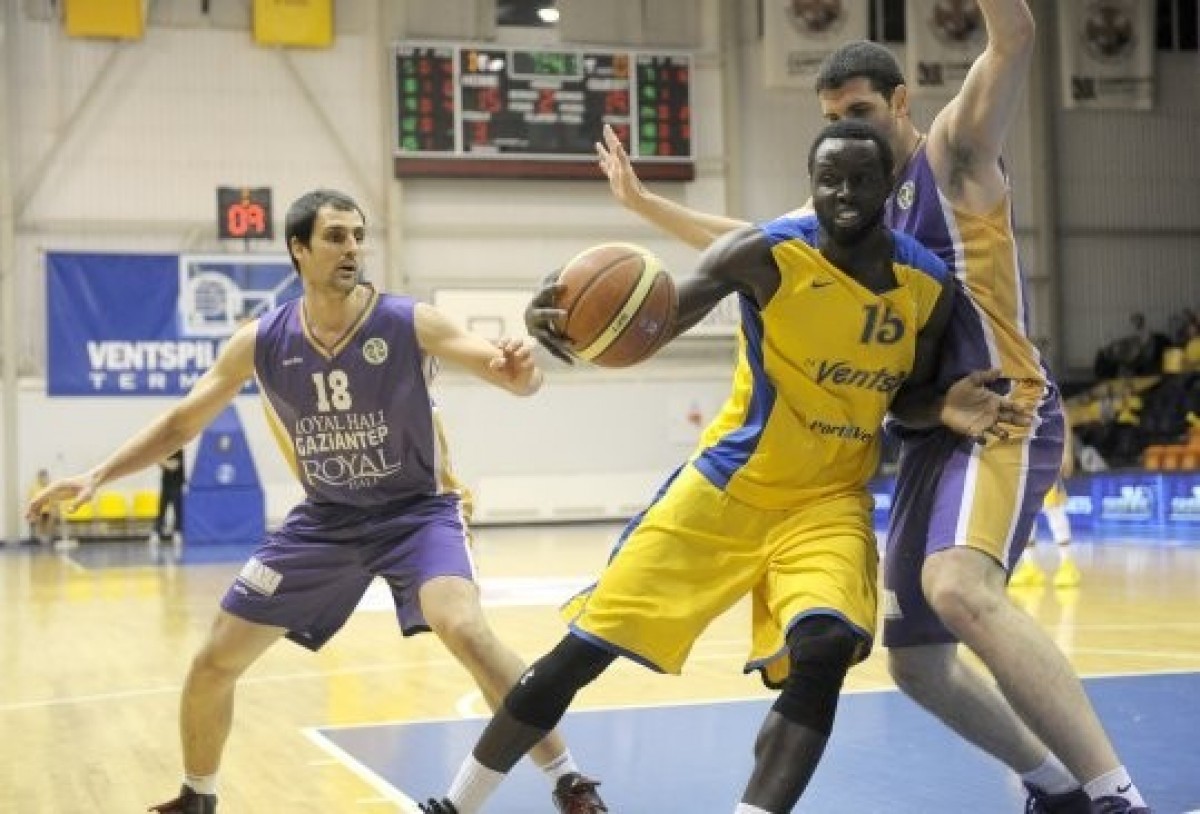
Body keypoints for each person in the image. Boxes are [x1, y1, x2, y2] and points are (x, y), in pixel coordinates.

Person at [584, 3, 1152, 810]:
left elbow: (1015, 38)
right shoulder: (858, 209)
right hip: (927, 429)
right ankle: (1056, 788)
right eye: (830, 119)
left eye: (858, 110)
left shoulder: (953, 155)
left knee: (957, 587)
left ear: (901, 103)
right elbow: (753, 240)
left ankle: (1118, 794)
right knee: (917, 664)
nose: (845, 128)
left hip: (1002, 408)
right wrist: (645, 205)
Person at [420, 120, 1027, 814]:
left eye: (861, 179)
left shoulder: (927, 285)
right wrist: (565, 323)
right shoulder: (765, 254)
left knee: (826, 647)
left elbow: (904, 400)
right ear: (811, 187)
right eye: (829, 179)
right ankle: (458, 804)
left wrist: (941, 406)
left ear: (888, 186)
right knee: (582, 652)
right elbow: (660, 317)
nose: (844, 192)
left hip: (827, 501)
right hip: (725, 489)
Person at [25, 189, 606, 814]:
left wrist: (522, 374)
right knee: (213, 661)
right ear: (298, 248)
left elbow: (510, 375)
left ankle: (569, 781)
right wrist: (97, 475)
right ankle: (198, 796)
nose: (351, 248)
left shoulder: (408, 321)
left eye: (358, 235)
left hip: (416, 512)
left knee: (464, 628)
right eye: (335, 236)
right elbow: (181, 423)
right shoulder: (260, 341)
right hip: (326, 521)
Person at [1011, 414, 1081, 589]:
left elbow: (1063, 415)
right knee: (1024, 514)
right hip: (1021, 456)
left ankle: (1067, 565)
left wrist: (1066, 451)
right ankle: (1030, 566)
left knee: (1054, 510)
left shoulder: (1046, 396)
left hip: (1046, 455)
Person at [152, 447, 186, 545]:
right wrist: (161, 461)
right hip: (166, 484)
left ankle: (178, 532)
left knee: (178, 511)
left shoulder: (178, 450)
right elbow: (162, 465)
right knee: (161, 510)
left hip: (176, 485)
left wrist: (161, 460)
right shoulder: (164, 450)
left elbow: (173, 466)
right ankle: (156, 532)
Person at [25, 468, 59, 544]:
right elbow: (31, 502)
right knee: (38, 516)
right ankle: (41, 535)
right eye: (42, 477)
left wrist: (54, 508)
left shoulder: (51, 487)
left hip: (48, 510)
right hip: (38, 509)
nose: (43, 479)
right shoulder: (34, 488)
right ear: (39, 478)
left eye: (45, 477)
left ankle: (48, 534)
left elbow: (54, 501)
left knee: (53, 515)